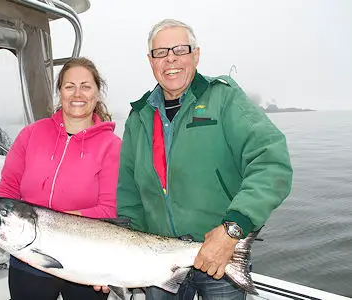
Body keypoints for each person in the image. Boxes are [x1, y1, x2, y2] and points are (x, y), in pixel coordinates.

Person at [116, 19, 293, 300]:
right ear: (150, 61)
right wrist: (121, 250)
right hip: (158, 259)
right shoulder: (139, 117)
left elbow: (271, 162)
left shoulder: (224, 98)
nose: (170, 58)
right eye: (160, 52)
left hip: (221, 252)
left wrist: (233, 228)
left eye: (180, 49)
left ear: (196, 55)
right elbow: (128, 192)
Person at [0, 57, 122, 300]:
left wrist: (55, 224)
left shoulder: (112, 146)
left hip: (85, 259)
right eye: (69, 86)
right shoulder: (31, 134)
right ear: (60, 92)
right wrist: (1, 219)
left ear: (97, 93)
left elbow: (109, 209)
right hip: (28, 256)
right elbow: (8, 187)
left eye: (86, 86)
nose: (77, 93)